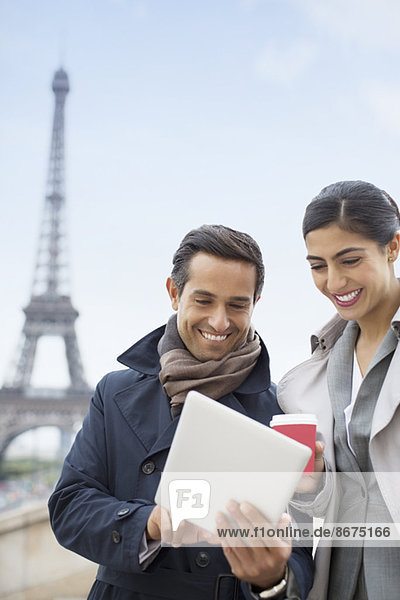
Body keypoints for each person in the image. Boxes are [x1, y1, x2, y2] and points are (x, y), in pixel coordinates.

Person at [48, 224, 313, 600]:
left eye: (237, 304)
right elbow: (69, 506)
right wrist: (149, 524)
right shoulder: (114, 393)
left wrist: (272, 577)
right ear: (174, 293)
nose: (220, 322)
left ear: (256, 302)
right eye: (204, 300)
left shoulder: (282, 410)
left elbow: (304, 546)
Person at [278, 181, 400, 600]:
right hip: (341, 581)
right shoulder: (313, 377)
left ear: (393, 246)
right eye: (318, 265)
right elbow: (313, 516)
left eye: (349, 259)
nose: (334, 281)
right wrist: (309, 486)